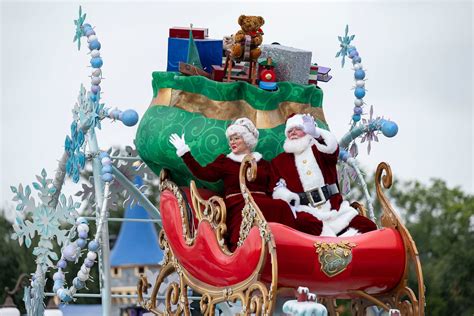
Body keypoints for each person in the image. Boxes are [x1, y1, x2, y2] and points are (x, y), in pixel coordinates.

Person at [169, 118, 322, 251]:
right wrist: (185, 152)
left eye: (236, 138)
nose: (232, 142)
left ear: (247, 140)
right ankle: (242, 248)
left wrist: (286, 195)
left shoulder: (262, 163)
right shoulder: (225, 162)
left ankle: (287, 246)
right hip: (238, 203)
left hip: (263, 201)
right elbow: (204, 174)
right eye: (231, 139)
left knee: (281, 206)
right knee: (250, 208)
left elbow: (273, 185)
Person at [271, 114, 377, 237]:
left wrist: (316, 133)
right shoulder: (279, 161)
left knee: (368, 228)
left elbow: (332, 148)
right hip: (306, 212)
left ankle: (343, 247)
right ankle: (336, 245)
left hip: (336, 210)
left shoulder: (320, 149)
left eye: (298, 129)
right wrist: (286, 195)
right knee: (308, 227)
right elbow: (276, 186)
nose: (293, 132)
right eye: (290, 130)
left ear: (307, 131)